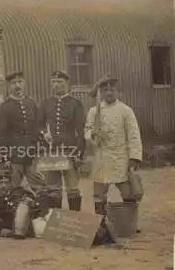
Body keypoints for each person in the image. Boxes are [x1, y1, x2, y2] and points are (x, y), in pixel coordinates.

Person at [84, 75, 143, 216]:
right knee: (98, 194)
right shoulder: (94, 111)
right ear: (101, 93)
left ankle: (130, 221)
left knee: (128, 193)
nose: (109, 93)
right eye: (105, 90)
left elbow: (134, 136)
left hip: (120, 158)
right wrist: (93, 135)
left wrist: (134, 158)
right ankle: (102, 223)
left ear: (118, 92)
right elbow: (87, 130)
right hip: (101, 159)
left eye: (112, 89)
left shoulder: (126, 111)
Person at [39, 70, 86, 210]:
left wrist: (79, 153)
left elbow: (81, 130)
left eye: (60, 82)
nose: (56, 85)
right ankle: (56, 222)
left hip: (70, 150)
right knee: (53, 189)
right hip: (52, 150)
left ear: (67, 84)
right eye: (53, 82)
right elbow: (39, 124)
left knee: (73, 189)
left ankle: (74, 221)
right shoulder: (46, 103)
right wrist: (44, 133)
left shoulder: (75, 104)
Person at [0, 71, 46, 193]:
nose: (17, 86)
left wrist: (39, 148)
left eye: (20, 82)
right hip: (14, 155)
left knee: (39, 187)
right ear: (9, 86)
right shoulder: (5, 107)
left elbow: (38, 127)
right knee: (14, 188)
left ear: (24, 84)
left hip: (31, 153)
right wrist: (5, 157)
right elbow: (1, 134)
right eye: (14, 83)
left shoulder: (32, 103)